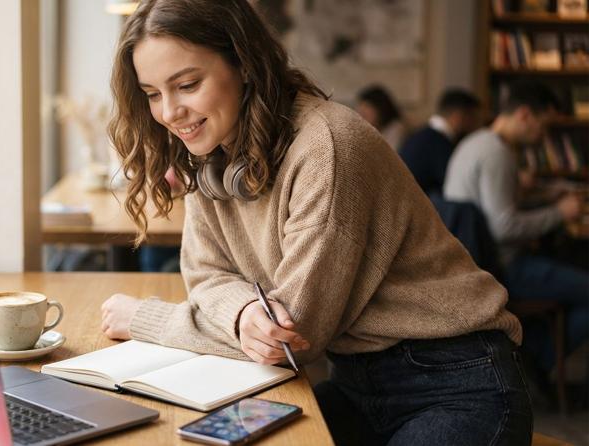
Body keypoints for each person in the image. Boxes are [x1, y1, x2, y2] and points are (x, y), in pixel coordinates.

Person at [101, 1, 531, 444]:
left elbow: (293, 332)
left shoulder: (327, 146)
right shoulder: (211, 157)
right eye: (152, 94)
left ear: (244, 64)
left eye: (187, 84)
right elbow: (206, 274)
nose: (169, 112)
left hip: (457, 382)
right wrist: (244, 312)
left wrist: (146, 319)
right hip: (355, 384)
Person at [444, 80, 588, 390]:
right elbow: (502, 226)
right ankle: (538, 357)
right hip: (499, 267)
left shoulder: (476, 142)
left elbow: (496, 207)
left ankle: (534, 347)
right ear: (524, 114)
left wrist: (542, 196)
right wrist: (560, 213)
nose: (544, 136)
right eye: (544, 125)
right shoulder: (498, 154)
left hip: (472, 261)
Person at [399, 88, 481, 196]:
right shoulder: (439, 143)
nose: (475, 125)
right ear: (458, 116)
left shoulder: (422, 135)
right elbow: (452, 185)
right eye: (472, 118)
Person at [356, 84, 407, 151]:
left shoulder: (395, 129)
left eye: (367, 107)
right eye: (361, 110)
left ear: (380, 109)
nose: (362, 114)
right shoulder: (367, 130)